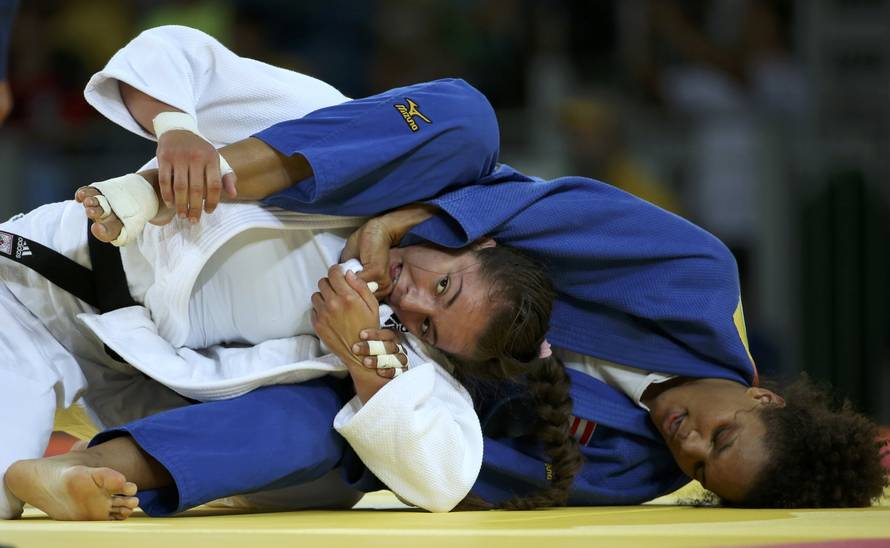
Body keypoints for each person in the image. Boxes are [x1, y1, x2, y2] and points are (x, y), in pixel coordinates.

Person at [7, 25, 887, 519]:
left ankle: (100, 472)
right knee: (467, 120)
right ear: (763, 397)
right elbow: (535, 208)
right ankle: (196, 178)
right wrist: (408, 228)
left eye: (703, 470)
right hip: (439, 211)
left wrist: (380, 368)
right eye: (720, 438)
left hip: (395, 354)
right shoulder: (695, 275)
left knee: (338, 437)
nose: (690, 448)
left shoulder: (635, 467)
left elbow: (461, 470)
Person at [0, 29, 555, 518]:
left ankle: (83, 469)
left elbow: (444, 475)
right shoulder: (327, 135)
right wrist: (176, 130)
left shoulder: (396, 344)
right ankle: (173, 186)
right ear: (472, 241)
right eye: (443, 286)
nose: (413, 302)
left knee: (337, 458)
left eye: (430, 326)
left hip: (118, 368)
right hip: (33, 284)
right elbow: (169, 53)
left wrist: (366, 363)